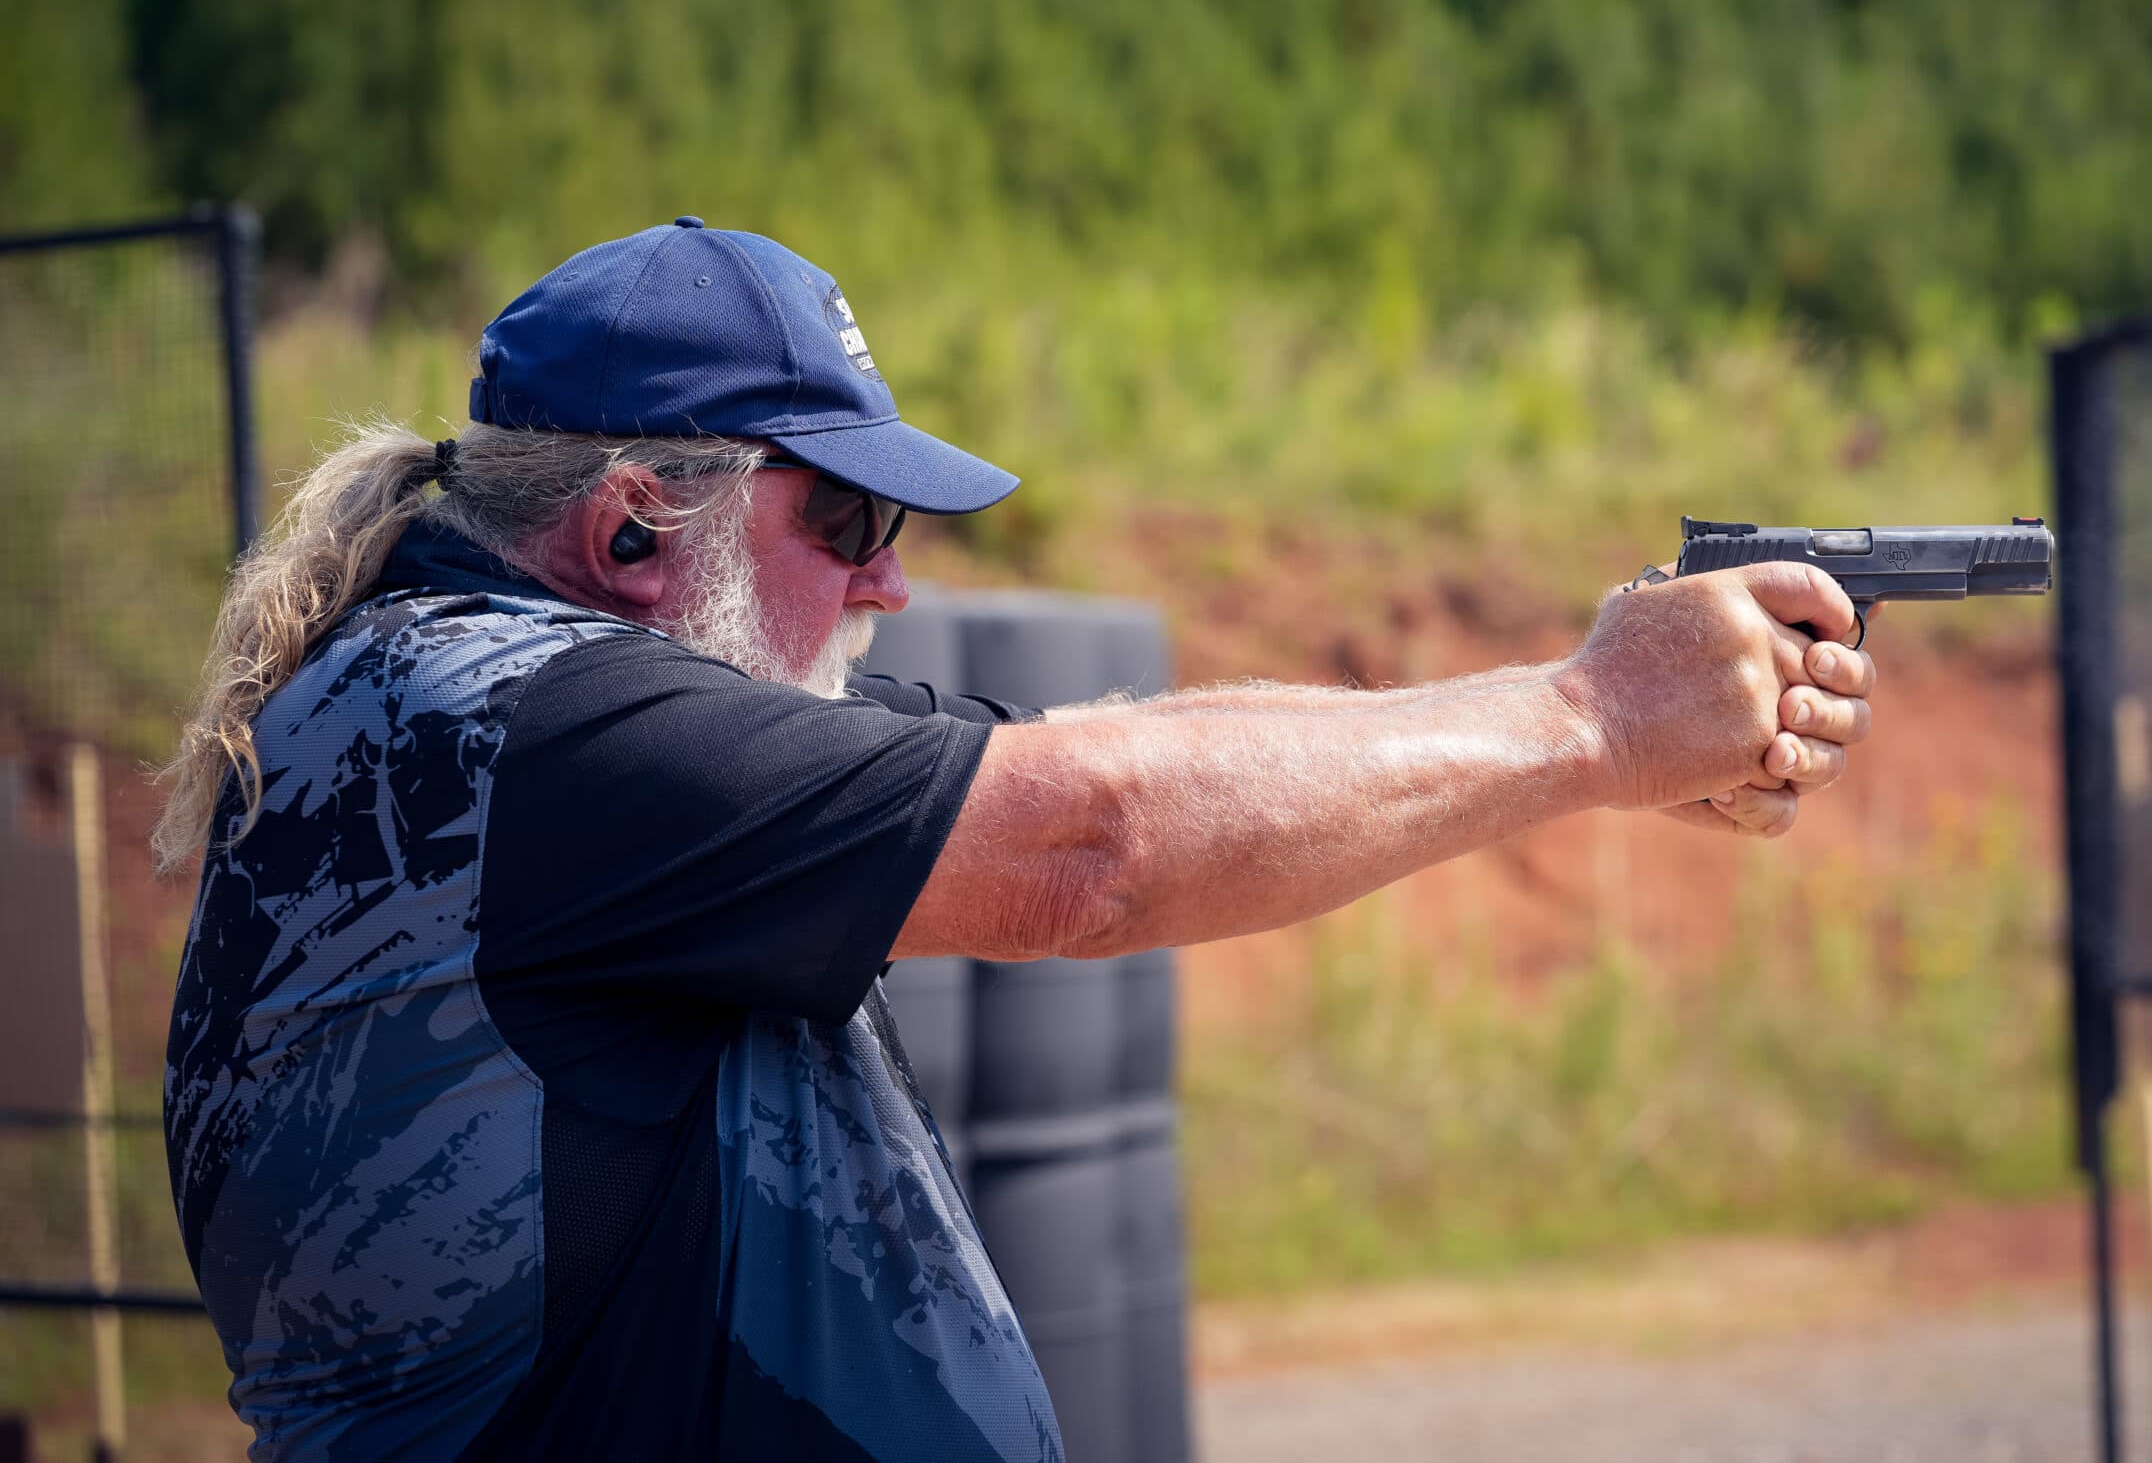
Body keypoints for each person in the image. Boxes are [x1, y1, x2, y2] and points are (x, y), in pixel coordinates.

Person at [155, 217, 1879, 1461]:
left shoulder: (499, 725)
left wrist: (1585, 731)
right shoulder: (539, 739)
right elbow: (1090, 849)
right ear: (627, 533)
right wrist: (1589, 722)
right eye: (846, 515)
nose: (893, 578)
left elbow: (1082, 762)